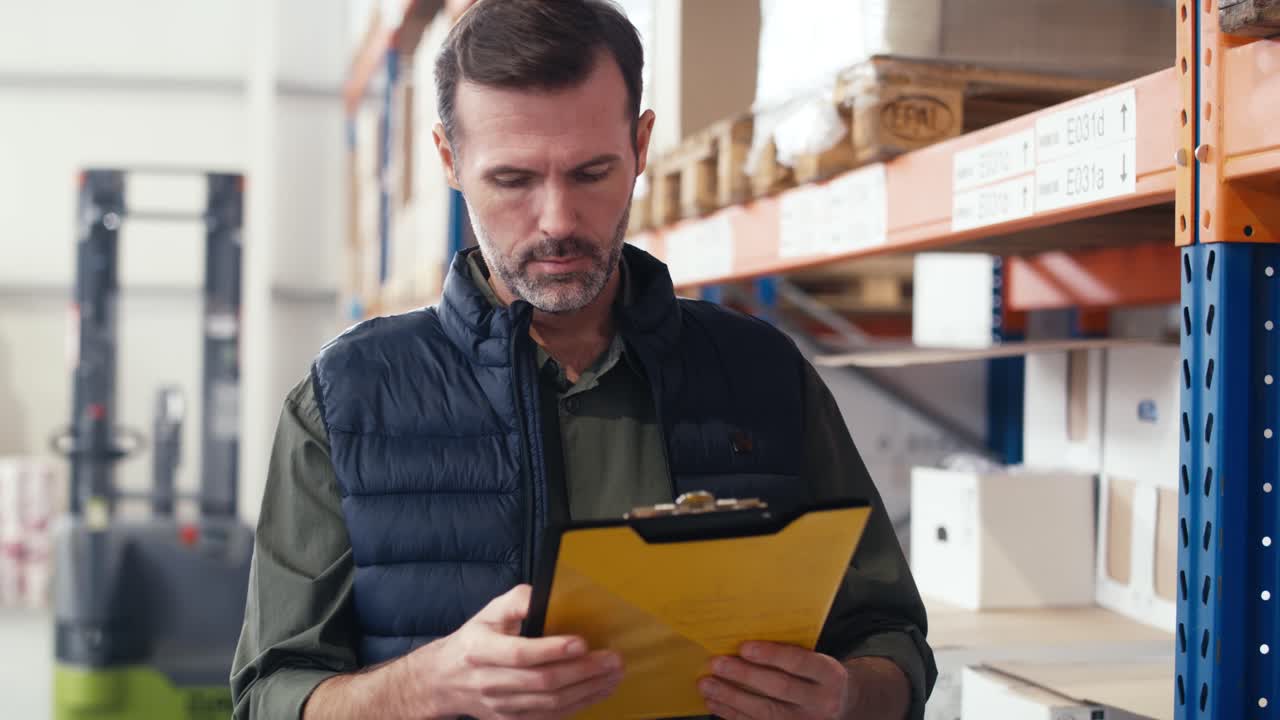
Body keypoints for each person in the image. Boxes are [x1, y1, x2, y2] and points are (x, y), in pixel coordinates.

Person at [231, 1, 936, 718]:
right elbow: (269, 695)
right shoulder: (347, 401)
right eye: (513, 181)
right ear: (449, 160)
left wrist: (848, 697)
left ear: (641, 143)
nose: (559, 220)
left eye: (592, 172)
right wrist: (429, 682)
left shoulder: (762, 374)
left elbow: (890, 636)